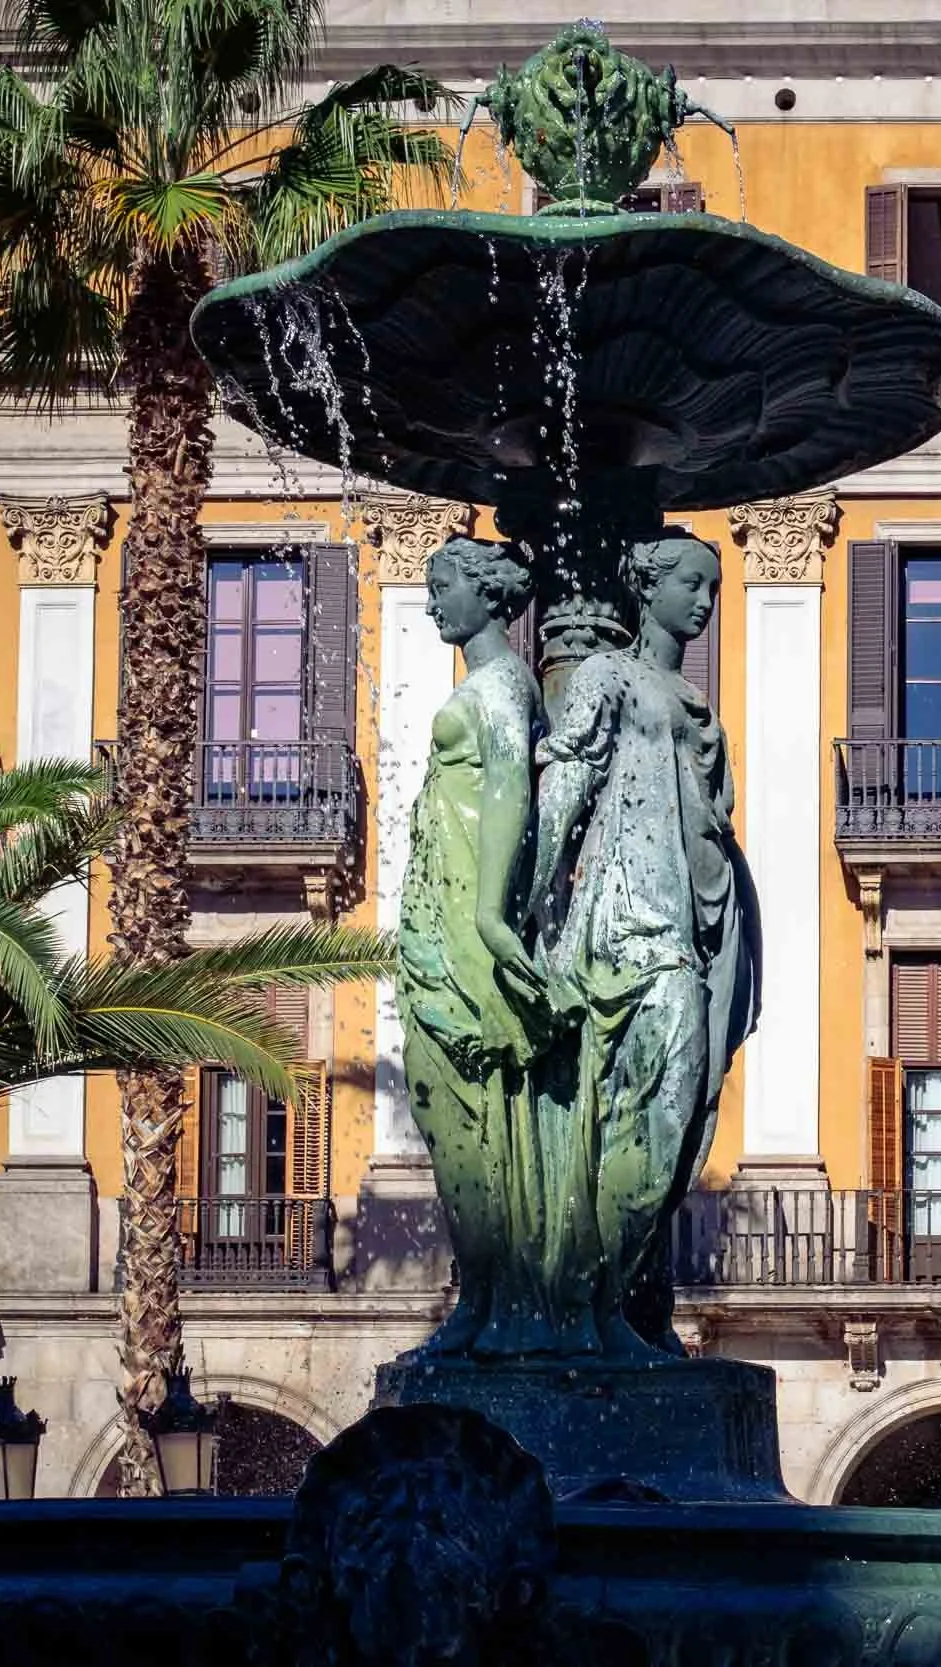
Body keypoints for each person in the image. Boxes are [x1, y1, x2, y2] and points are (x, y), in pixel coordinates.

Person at [531, 528, 759, 1356]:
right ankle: (592, 1307)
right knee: (647, 1111)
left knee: (684, 1107)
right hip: (629, 930)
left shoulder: (689, 701)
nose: (703, 601)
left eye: (712, 587)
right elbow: (565, 782)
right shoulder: (606, 676)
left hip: (690, 931)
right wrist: (532, 909)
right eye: (690, 583)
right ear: (646, 585)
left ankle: (622, 1308)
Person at [396, 536, 555, 1356]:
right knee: (446, 1103)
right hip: (445, 912)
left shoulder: (498, 685)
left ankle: (494, 1297)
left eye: (443, 585)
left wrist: (493, 917)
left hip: (465, 924)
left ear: (489, 594)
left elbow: (509, 786)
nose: (432, 603)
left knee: (459, 1103)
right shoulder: (493, 683)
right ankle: (487, 1295)